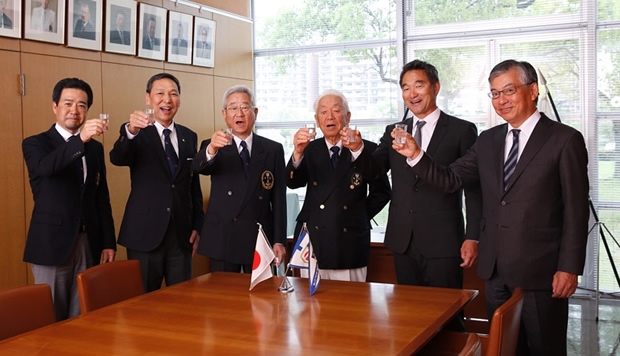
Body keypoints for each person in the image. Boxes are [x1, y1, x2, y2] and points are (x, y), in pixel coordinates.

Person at [386, 59, 590, 355]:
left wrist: (569, 267)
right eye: (494, 94)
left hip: (542, 272)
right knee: (504, 348)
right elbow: (451, 179)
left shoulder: (564, 139)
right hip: (496, 271)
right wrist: (416, 154)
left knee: (546, 348)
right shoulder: (488, 140)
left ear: (532, 91)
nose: (501, 100)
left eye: (508, 91)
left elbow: (576, 209)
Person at [355, 60, 481, 323]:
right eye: (405, 88)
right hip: (403, 242)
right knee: (408, 317)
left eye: (419, 85)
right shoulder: (395, 131)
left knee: (447, 317)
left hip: (443, 242)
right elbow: (375, 170)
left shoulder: (462, 130)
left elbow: (472, 189)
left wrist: (473, 237)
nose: (412, 93)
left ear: (435, 87)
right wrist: (357, 149)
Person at [22, 78, 116, 321]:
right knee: (50, 317)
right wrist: (79, 140)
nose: (75, 110)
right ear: (55, 106)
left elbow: (100, 197)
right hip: (51, 245)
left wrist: (108, 241)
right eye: (68, 103)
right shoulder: (36, 143)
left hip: (88, 242)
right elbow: (46, 168)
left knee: (84, 315)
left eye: (82, 105)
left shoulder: (94, 149)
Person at [109, 73, 204, 292]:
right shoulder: (135, 131)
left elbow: (193, 185)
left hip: (180, 237)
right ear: (148, 98)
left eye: (173, 94)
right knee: (143, 304)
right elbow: (117, 157)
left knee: (182, 303)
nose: (167, 100)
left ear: (179, 100)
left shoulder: (189, 136)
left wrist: (198, 225)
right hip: (144, 234)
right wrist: (130, 131)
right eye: (160, 93)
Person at [286, 89, 391, 282]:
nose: (330, 117)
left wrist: (356, 215)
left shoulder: (366, 148)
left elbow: (383, 192)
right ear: (317, 120)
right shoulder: (309, 149)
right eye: (323, 112)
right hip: (312, 241)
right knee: (309, 307)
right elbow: (293, 182)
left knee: (351, 306)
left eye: (336, 110)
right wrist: (297, 153)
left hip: (349, 240)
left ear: (347, 116)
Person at [192, 85, 286, 273]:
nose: (239, 113)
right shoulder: (214, 145)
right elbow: (197, 167)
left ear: (255, 112)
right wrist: (212, 149)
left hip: (259, 236)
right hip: (223, 236)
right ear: (224, 114)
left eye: (245, 107)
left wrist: (279, 240)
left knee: (262, 298)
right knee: (224, 297)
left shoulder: (272, 149)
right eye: (233, 108)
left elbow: (278, 199)